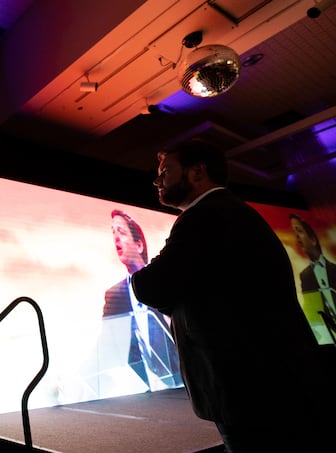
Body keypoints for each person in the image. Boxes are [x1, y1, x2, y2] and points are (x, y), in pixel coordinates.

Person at [130, 138, 330, 452]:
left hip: (248, 388)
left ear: (198, 173)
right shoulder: (235, 213)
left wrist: (156, 268)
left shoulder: (203, 217)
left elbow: (151, 285)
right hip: (275, 382)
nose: (158, 181)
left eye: (166, 171)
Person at [103, 209, 181, 390]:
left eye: (121, 232)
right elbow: (106, 344)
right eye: (112, 232)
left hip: (180, 383)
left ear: (139, 245)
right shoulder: (114, 295)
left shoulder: (161, 279)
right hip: (145, 392)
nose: (115, 238)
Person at [290, 213, 336, 337]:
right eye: (294, 233)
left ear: (313, 239)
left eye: (299, 231)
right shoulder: (305, 276)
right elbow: (311, 310)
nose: (297, 238)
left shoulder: (334, 270)